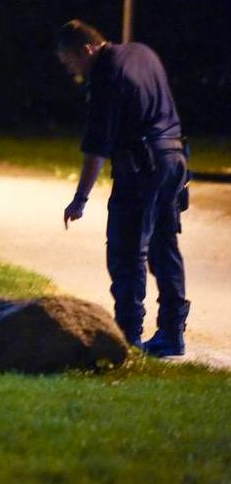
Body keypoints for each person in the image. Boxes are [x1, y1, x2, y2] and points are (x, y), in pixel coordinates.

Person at [55, 19, 190, 357]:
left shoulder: (106, 74)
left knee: (127, 252)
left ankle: (128, 338)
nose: (73, 70)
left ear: (87, 49)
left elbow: (97, 146)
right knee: (164, 246)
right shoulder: (142, 53)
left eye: (70, 61)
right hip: (174, 158)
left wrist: (80, 198)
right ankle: (173, 334)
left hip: (141, 166)